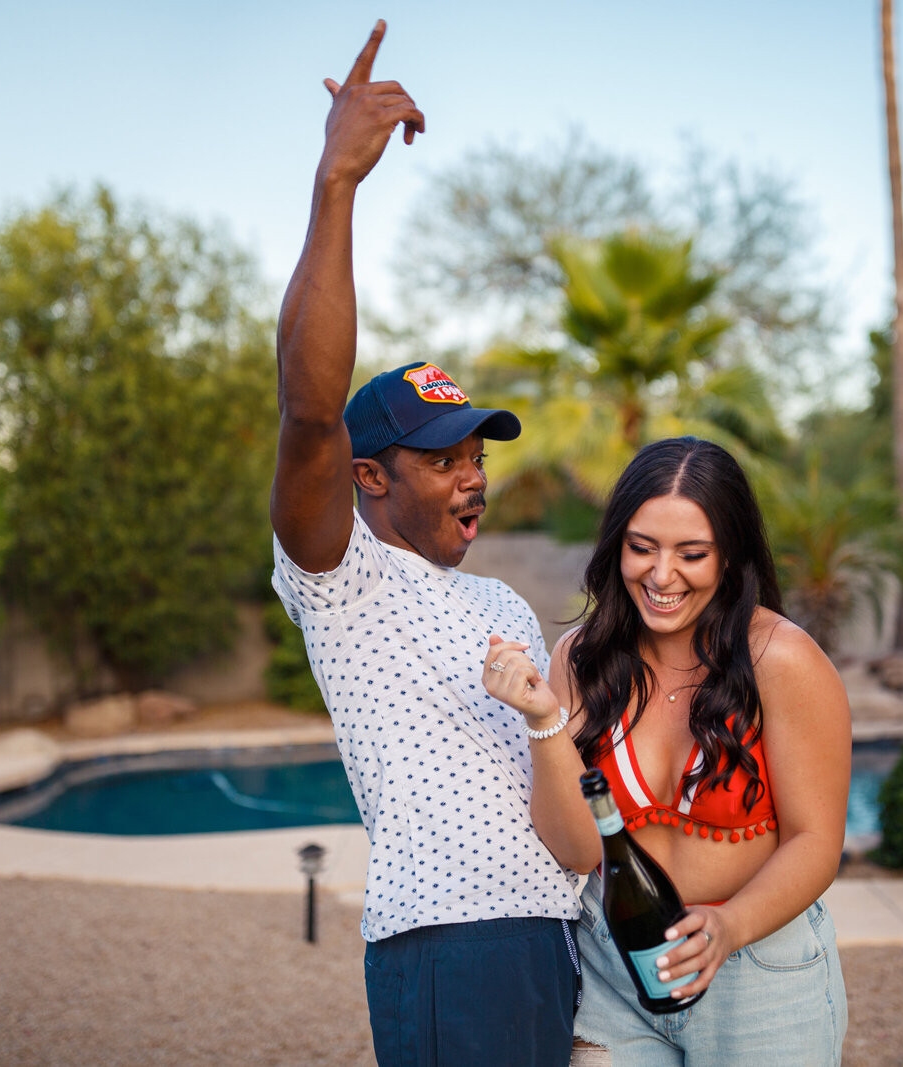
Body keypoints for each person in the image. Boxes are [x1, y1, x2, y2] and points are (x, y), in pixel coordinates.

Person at [269, 21, 579, 1066]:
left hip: (554, 941)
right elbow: (310, 412)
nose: (473, 473)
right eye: (443, 457)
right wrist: (336, 185)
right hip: (446, 947)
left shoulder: (501, 607)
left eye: (476, 452)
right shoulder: (338, 577)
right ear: (371, 477)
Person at [484, 436, 851, 1064]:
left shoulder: (783, 660)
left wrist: (728, 928)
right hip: (614, 972)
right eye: (641, 547)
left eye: (692, 554)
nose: (660, 576)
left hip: (759, 972)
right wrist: (544, 719)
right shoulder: (582, 658)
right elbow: (575, 849)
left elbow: (815, 842)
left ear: (730, 557)